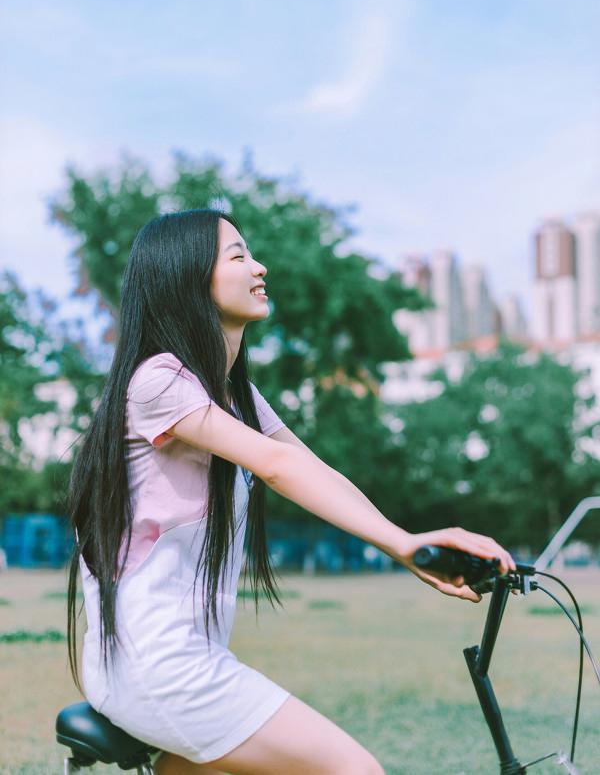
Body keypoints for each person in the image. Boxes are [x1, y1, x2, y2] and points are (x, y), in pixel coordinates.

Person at [67, 208, 515, 775]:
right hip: (158, 667)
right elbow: (277, 465)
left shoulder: (234, 395)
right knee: (356, 771)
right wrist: (400, 544)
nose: (260, 266)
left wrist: (406, 542)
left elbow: (310, 468)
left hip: (180, 659)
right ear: (186, 276)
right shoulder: (159, 380)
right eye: (238, 256)